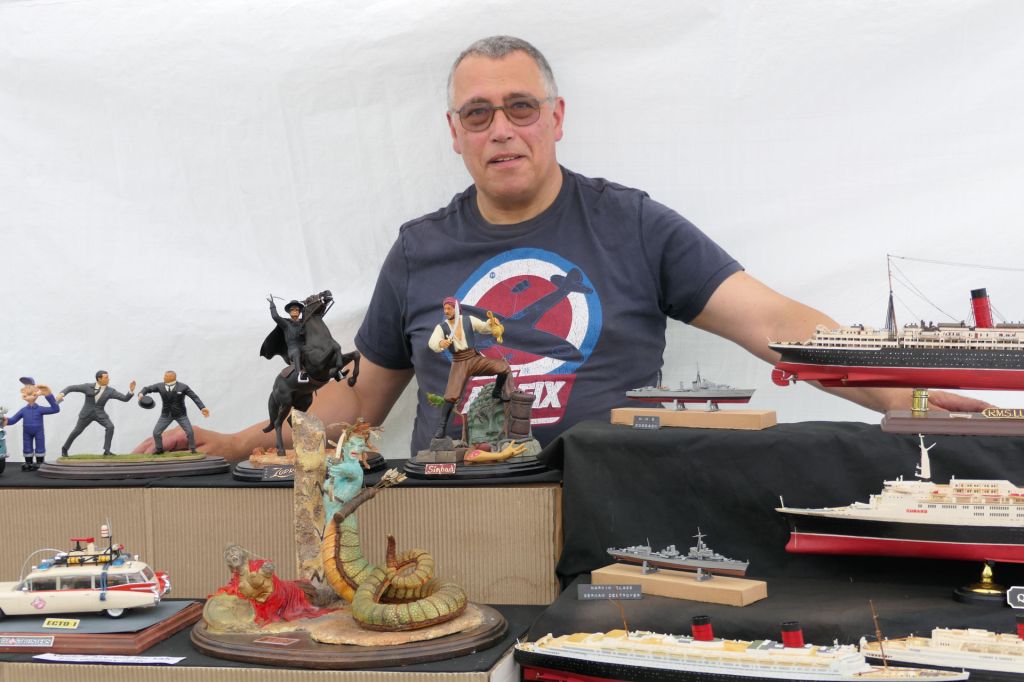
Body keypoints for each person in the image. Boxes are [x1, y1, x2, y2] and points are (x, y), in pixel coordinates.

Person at [140, 36, 987, 460]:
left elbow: (775, 321)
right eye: (479, 114)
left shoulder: (633, 224)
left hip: (612, 512)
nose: (501, 129)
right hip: (455, 517)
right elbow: (354, 409)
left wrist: (909, 396)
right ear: (454, 135)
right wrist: (226, 444)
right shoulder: (419, 249)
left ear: (556, 118)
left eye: (520, 107)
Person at [428, 296, 512, 440]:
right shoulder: (441, 327)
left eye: (449, 308)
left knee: (503, 367)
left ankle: (497, 391)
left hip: (474, 358)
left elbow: (484, 328)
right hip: (459, 362)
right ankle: (441, 427)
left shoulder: (468, 320)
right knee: (451, 395)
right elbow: (432, 342)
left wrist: (492, 325)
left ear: (456, 309)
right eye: (445, 309)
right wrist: (441, 343)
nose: (446, 311)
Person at [58, 371, 136, 456]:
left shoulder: (110, 391)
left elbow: (124, 398)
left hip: (100, 414)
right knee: (77, 431)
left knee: (110, 427)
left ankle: (107, 450)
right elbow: (71, 388)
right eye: (106, 377)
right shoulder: (87, 386)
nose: (108, 379)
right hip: (86, 414)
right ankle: (65, 448)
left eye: (108, 377)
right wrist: (62, 394)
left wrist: (131, 391)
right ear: (99, 379)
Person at [138, 371, 210, 454]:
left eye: (166, 376)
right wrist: (141, 393)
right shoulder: (160, 386)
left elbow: (194, 397)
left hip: (181, 415)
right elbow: (147, 388)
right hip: (166, 414)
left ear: (172, 377)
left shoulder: (183, 387)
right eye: (164, 376)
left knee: (190, 432)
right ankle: (159, 449)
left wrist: (202, 408)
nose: (164, 377)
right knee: (156, 432)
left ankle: (192, 449)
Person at [5, 377, 60, 470]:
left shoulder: (40, 409)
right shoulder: (23, 410)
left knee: (40, 445)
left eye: (31, 393)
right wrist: (4, 420)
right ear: (23, 396)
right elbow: (13, 420)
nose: (29, 396)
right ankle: (28, 462)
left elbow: (55, 409)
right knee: (27, 445)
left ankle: (40, 462)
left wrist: (48, 395)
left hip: (38, 431)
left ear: (37, 393)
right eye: (26, 394)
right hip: (26, 432)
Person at [268, 297, 309, 383]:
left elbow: (309, 315)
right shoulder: (286, 324)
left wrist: (306, 305)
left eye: (297, 309)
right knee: (297, 352)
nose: (295, 311)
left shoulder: (303, 322)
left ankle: (335, 370)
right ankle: (300, 374)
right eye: (292, 309)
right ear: (289, 312)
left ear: (299, 311)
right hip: (293, 350)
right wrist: (272, 303)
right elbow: (275, 316)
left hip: (305, 347)